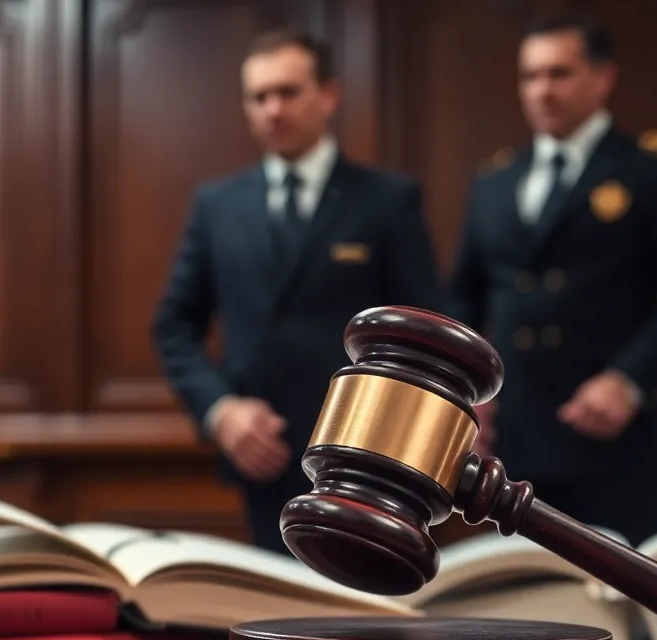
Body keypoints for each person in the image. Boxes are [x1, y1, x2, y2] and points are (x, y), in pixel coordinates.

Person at [444, 12, 657, 545]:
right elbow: (465, 295)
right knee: (525, 610)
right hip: (515, 437)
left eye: (559, 74)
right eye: (530, 76)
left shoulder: (651, 168)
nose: (542, 90)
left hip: (611, 433)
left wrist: (629, 381)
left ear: (603, 78)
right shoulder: (496, 180)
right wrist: (467, 396)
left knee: (615, 606)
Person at [151, 29, 441, 555]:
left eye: (288, 92)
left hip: (363, 462)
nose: (272, 110)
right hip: (260, 452)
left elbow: (424, 331)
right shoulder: (218, 205)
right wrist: (221, 412)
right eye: (258, 97)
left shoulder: (386, 200)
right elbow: (174, 324)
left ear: (329, 95)